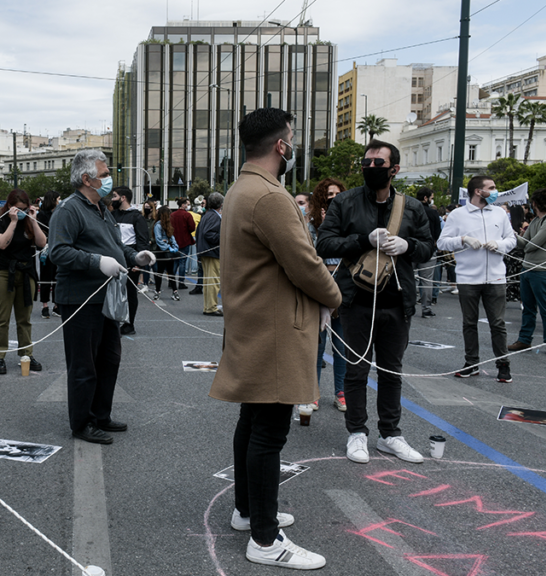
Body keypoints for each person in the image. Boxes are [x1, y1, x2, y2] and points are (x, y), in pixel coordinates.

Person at [210, 108, 340, 570]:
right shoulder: (268, 195)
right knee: (269, 433)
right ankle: (266, 539)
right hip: (275, 329)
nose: (293, 145)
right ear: (281, 146)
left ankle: (249, 512)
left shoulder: (241, 189)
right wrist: (334, 295)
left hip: (253, 323)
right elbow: (304, 262)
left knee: (252, 424)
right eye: (292, 138)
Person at [316, 139, 435, 465]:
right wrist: (362, 241)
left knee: (391, 372)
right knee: (356, 372)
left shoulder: (411, 208)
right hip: (356, 301)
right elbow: (324, 243)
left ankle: (390, 434)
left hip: (398, 303)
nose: (371, 169)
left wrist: (407, 246)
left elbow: (428, 247)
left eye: (378, 164)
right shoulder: (345, 202)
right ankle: (357, 433)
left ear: (394, 169)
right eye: (366, 163)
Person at [48, 149, 155, 445]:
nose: (109, 179)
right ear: (87, 179)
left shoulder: (101, 209)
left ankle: (101, 414)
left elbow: (115, 246)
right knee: (84, 364)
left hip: (107, 296)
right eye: (105, 175)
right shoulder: (69, 210)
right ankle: (82, 422)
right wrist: (97, 262)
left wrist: (136, 256)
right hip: (81, 298)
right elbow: (57, 251)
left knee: (109, 358)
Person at [437, 176, 517, 381]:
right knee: (469, 322)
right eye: (491, 188)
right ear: (478, 191)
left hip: (496, 277)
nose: (496, 191)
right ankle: (471, 362)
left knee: (497, 323)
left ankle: (503, 364)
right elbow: (442, 243)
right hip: (467, 278)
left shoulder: (499, 213)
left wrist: (499, 245)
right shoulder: (457, 215)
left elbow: (512, 240)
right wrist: (463, 240)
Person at [0, 188, 46, 374]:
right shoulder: (1, 221)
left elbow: (42, 243)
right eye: (18, 209)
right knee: (2, 318)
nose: (21, 212)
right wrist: (12, 222)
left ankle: (26, 354)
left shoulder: (29, 221)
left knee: (24, 318)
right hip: (4, 272)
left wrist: (34, 220)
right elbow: (1, 243)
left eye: (24, 208)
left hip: (26, 272)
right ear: (10, 207)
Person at [307, 178, 348, 411]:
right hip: (319, 287)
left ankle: (341, 392)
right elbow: (309, 254)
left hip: (342, 287)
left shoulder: (349, 223)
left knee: (342, 345)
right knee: (316, 344)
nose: (334, 198)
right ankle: (312, 391)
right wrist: (324, 226)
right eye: (329, 195)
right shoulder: (311, 226)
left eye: (338, 194)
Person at [508, 188, 546, 357]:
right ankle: (524, 339)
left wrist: (521, 239)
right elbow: (524, 243)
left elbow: (532, 244)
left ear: (534, 203)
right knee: (528, 308)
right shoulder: (535, 221)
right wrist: (511, 235)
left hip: (543, 270)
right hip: (528, 268)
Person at [110, 186, 152, 333]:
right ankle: (113, 321)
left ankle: (129, 323)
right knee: (113, 292)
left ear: (123, 198)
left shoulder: (137, 217)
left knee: (129, 292)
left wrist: (139, 263)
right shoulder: (111, 215)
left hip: (130, 259)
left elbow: (143, 241)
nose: (112, 199)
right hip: (113, 258)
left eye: (114, 196)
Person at [416, 187, 442, 318]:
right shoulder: (433, 213)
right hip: (428, 249)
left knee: (407, 277)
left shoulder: (410, 210)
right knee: (427, 280)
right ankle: (426, 307)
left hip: (411, 248)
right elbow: (437, 233)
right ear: (426, 198)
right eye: (431, 197)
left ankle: (405, 305)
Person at [196, 192, 223, 316]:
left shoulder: (208, 215)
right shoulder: (214, 216)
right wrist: (223, 237)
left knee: (208, 281)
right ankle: (211, 307)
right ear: (221, 204)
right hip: (212, 251)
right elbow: (209, 234)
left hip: (205, 251)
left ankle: (208, 306)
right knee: (213, 281)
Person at [37, 191, 60, 318]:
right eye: (58, 198)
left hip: (57, 248)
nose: (59, 201)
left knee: (57, 277)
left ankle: (57, 305)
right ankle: (45, 305)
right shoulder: (42, 214)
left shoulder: (59, 212)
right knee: (46, 278)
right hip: (46, 249)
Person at [153, 206, 181, 301]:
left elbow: (171, 236)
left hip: (168, 251)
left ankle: (175, 292)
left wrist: (175, 245)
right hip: (161, 251)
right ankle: (157, 292)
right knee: (159, 272)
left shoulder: (168, 225)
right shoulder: (158, 225)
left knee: (171, 272)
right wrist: (167, 247)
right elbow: (159, 240)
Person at [171, 197, 196, 289]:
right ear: (183, 205)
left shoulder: (172, 215)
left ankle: (171, 281)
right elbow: (192, 227)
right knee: (182, 262)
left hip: (174, 241)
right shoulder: (187, 215)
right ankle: (181, 282)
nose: (188, 206)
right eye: (187, 204)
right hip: (185, 240)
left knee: (175, 262)